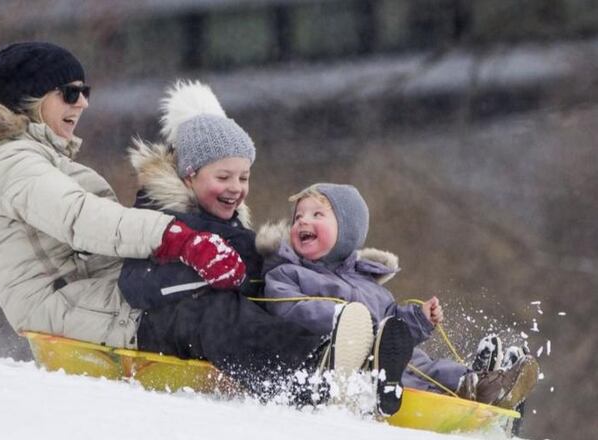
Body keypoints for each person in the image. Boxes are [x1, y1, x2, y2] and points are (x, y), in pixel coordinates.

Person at [0, 42, 246, 350]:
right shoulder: (13, 163)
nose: (83, 103)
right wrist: (177, 239)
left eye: (84, 92)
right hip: (73, 308)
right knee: (215, 317)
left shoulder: (36, 160)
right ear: (28, 99)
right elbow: (79, 217)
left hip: (92, 298)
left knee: (237, 282)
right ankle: (290, 381)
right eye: (70, 93)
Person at [117, 81, 412, 412]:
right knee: (218, 311)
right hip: (152, 329)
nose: (236, 188)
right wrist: (206, 272)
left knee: (284, 293)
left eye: (243, 178)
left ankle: (408, 372)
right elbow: (135, 283)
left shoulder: (231, 226)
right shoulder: (157, 219)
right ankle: (308, 375)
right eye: (224, 177)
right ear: (190, 176)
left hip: (209, 335)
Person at [262, 183, 540, 409]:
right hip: (347, 366)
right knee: (412, 375)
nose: (302, 222)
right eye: (298, 217)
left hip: (390, 357)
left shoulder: (370, 284)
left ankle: (481, 381)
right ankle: (479, 389)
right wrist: (344, 320)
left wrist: (419, 318)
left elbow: (393, 326)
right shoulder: (288, 272)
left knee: (426, 365)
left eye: (316, 215)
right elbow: (286, 308)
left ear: (347, 231)